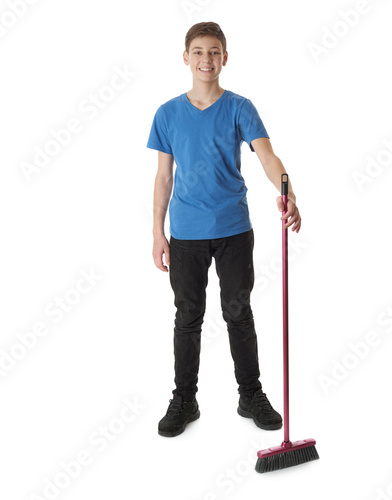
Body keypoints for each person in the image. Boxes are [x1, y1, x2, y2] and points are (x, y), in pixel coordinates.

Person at [147, 21, 301, 437]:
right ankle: (185, 399)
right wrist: (158, 232)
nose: (206, 59)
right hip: (185, 233)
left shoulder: (239, 107)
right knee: (187, 317)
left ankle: (250, 394)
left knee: (238, 313)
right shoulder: (167, 113)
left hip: (233, 228)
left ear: (225, 58)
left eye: (214, 52)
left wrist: (288, 193)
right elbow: (163, 177)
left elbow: (267, 156)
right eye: (198, 51)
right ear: (185, 57)